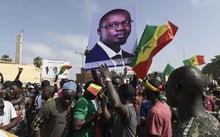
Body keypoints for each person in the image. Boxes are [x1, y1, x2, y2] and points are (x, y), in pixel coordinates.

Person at [165, 66, 220, 136]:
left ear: (176, 88)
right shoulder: (213, 120)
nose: (165, 90)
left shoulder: (187, 133)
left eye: (166, 86)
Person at [99, 64, 137, 137]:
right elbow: (109, 119)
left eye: (118, 93)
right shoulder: (122, 110)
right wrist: (103, 104)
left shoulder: (129, 111)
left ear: (121, 95)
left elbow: (116, 104)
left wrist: (107, 78)